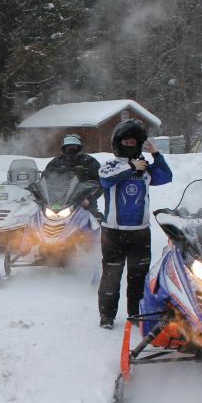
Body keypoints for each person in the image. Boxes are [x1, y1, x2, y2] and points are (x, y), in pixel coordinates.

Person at [97, 119, 172, 329]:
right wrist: (131, 166)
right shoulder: (110, 166)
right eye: (126, 141)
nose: (129, 145)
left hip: (140, 233)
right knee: (111, 275)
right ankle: (107, 317)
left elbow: (166, 176)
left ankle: (136, 314)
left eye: (133, 142)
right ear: (118, 142)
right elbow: (106, 180)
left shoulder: (145, 169)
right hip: (113, 232)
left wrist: (155, 153)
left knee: (138, 277)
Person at [42, 134, 103, 217]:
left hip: (84, 204)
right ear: (63, 148)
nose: (71, 149)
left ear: (80, 147)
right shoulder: (56, 163)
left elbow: (101, 182)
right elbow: (44, 180)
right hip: (58, 204)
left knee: (94, 222)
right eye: (68, 147)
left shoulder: (89, 161)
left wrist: (89, 199)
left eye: (74, 147)